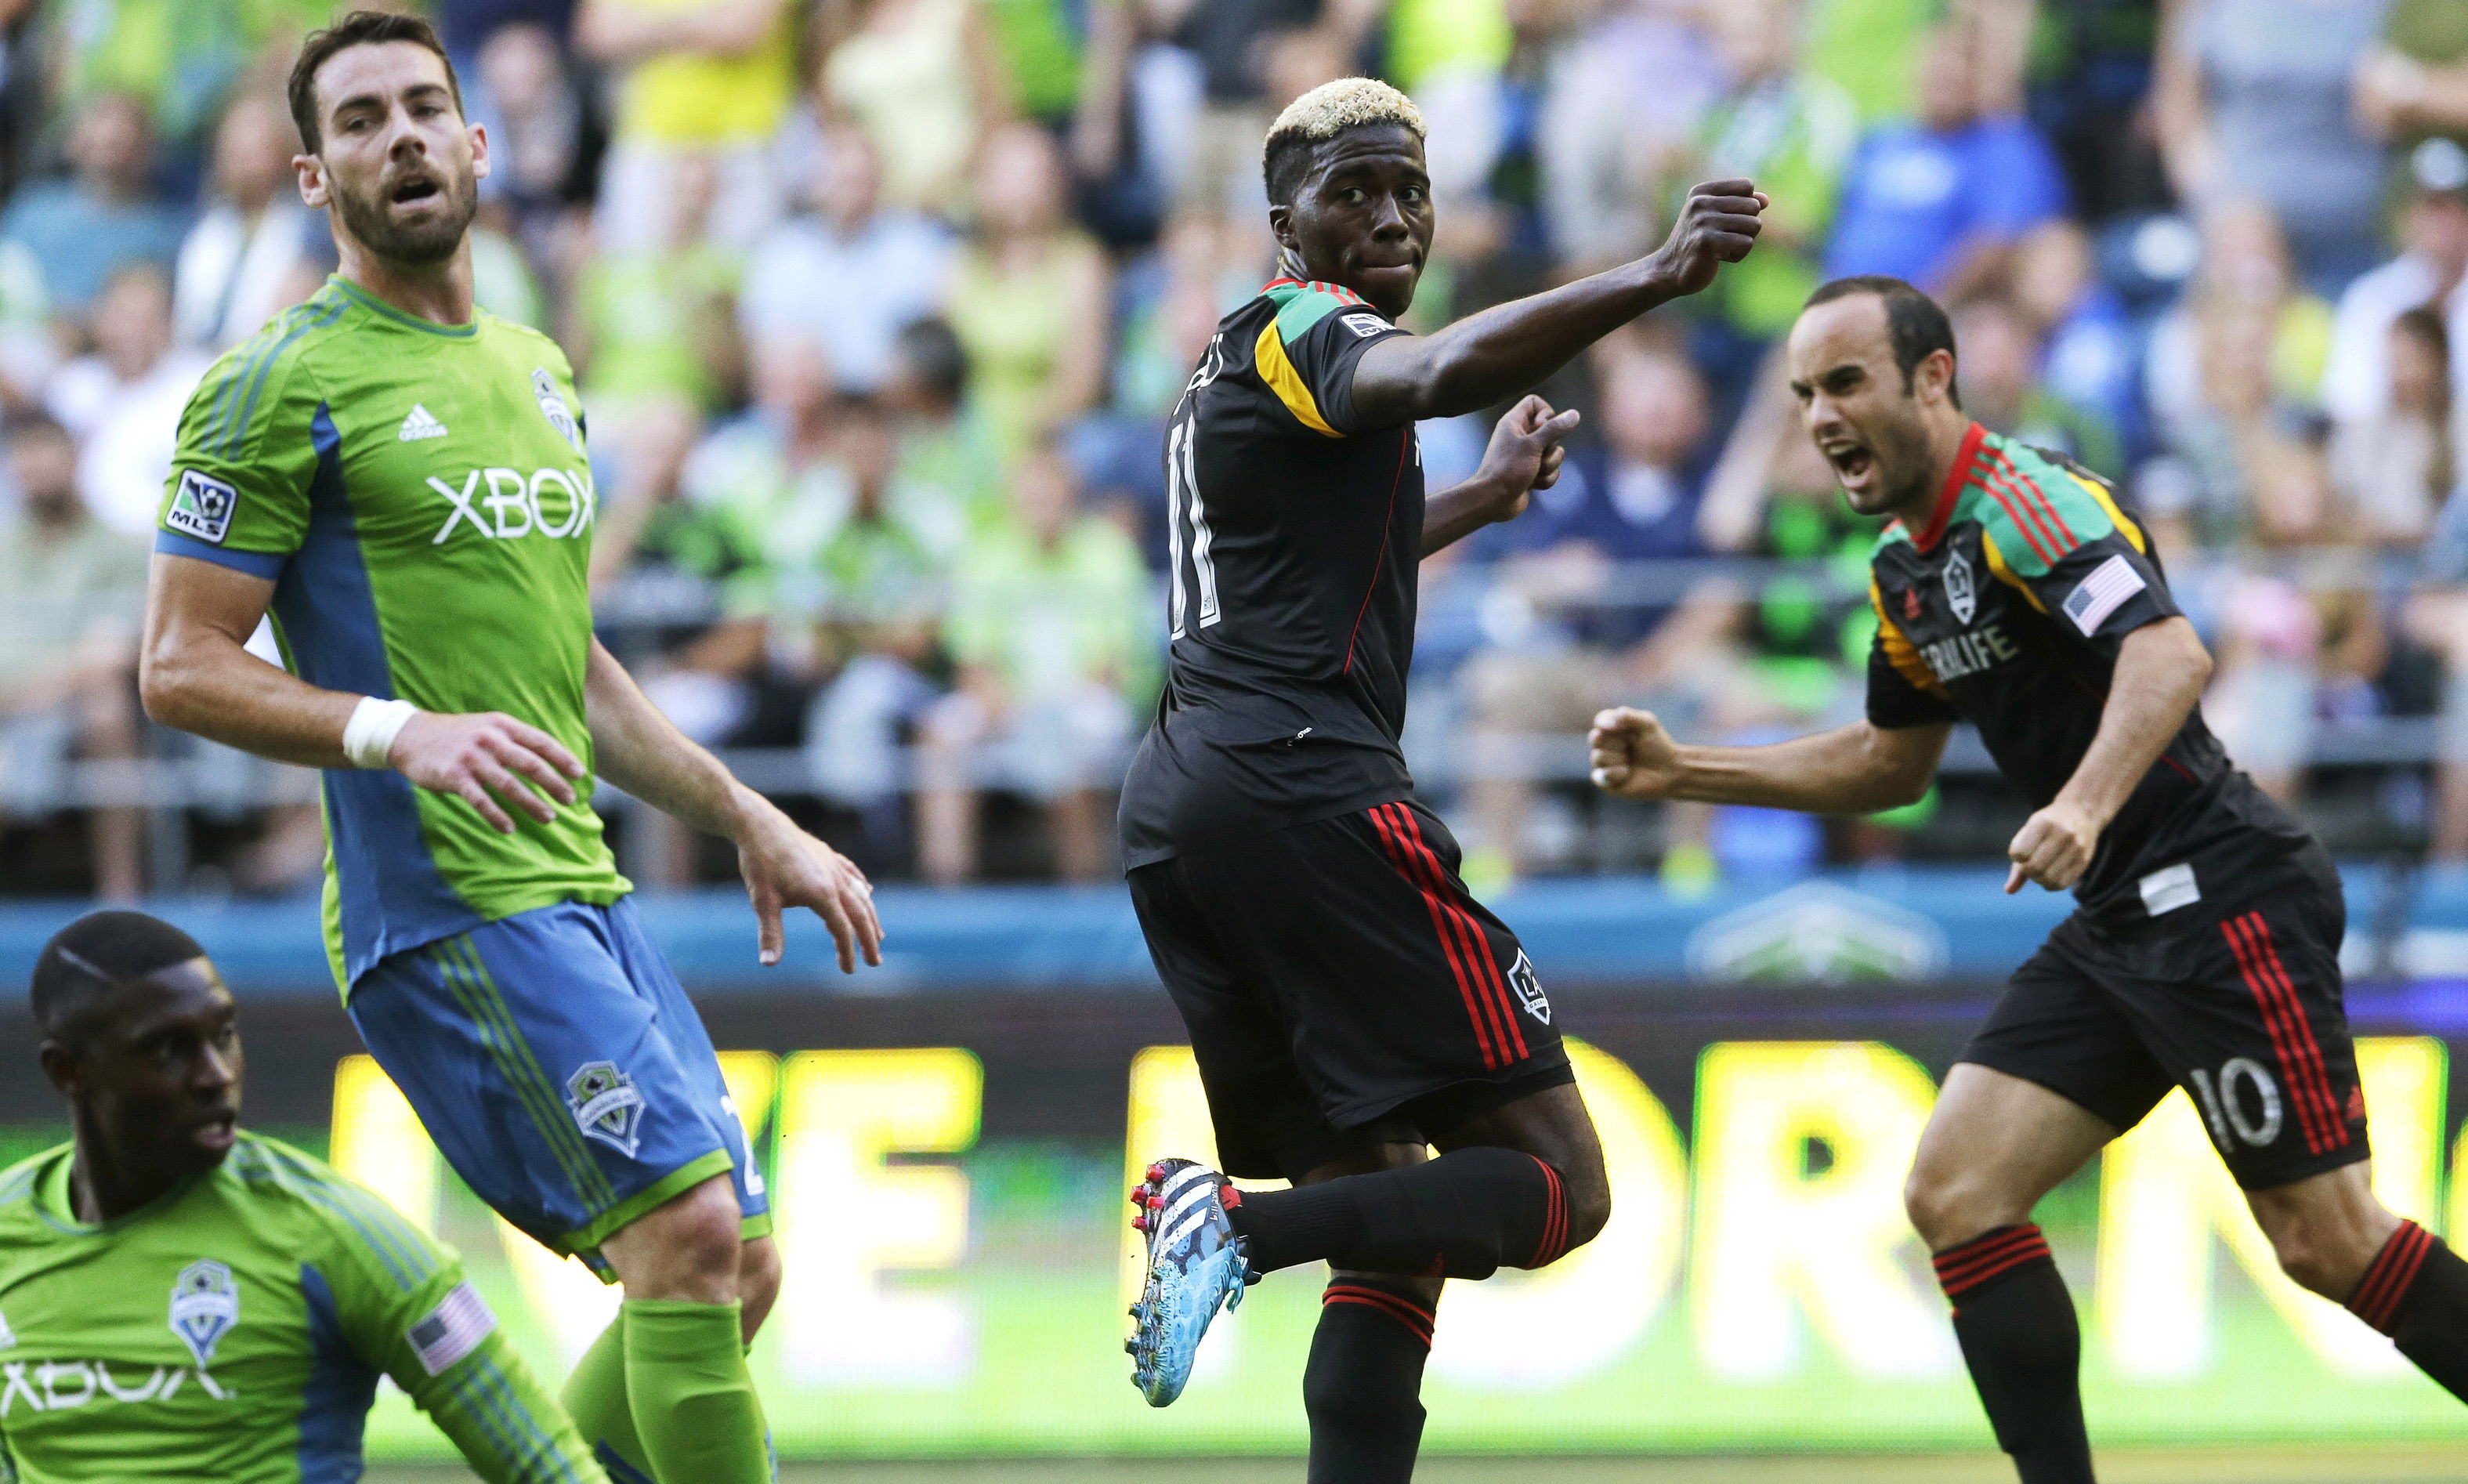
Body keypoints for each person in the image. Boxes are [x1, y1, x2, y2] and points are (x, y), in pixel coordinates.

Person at [136, 16, 883, 1484]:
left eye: (426, 108)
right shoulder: (274, 384)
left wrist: (749, 814)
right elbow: (177, 665)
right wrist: (393, 730)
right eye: (361, 121)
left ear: (481, 146)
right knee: (684, 1238)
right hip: (446, 909)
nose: (401, 136)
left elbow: (574, 664)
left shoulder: (537, 367)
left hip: (579, 892)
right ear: (312, 177)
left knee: (741, 1266)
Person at [1587, 277, 2468, 1484]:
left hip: (2219, 893)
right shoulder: (1904, 570)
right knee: (1955, 1189)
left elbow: (2169, 652)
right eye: (1802, 392)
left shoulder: (2024, 505)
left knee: (2323, 1242)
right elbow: (1887, 762)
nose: (1820, 415)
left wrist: (2083, 802)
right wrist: (1686, 767)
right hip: (2120, 915)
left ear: (1931, 378)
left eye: (1845, 381)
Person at [1116, 74, 1763, 1481]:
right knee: (1563, 1186)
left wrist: (1481, 496)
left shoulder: (1229, 373)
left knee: (1387, 1217)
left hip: (1189, 804)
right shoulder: (1312, 326)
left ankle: (1260, 1241)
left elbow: (1313, 572)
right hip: (1307, 793)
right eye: (1353, 189)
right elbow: (1430, 371)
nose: (1392, 215)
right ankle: (1232, 1222)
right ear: (1282, 217)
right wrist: (1656, 272)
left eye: (1410, 188)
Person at [0, 909, 605, 1482]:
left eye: (224, 1035)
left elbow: (546, 1466)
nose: (215, 1073)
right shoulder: (9, 1234)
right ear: (68, 1073)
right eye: (168, 1049)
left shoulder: (345, 1237)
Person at [0, 416, 149, 902]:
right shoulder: (5, 548)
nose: (37, 465)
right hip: (11, 707)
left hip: (61, 705)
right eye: (25, 452)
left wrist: (21, 697)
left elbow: (113, 655)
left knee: (106, 705)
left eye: (48, 450)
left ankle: (120, 889)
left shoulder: (120, 548)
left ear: (75, 455)